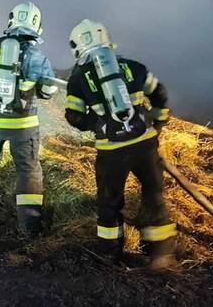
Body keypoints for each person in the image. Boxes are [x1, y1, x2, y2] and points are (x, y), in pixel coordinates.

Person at [63, 19, 177, 272]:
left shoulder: (79, 78)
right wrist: (159, 119)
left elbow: (74, 116)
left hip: (111, 151)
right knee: (153, 195)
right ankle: (159, 254)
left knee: (109, 202)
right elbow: (159, 92)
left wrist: (99, 125)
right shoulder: (133, 67)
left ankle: (110, 254)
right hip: (145, 146)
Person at [0, 2, 59, 237]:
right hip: (23, 125)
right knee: (28, 170)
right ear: (37, 26)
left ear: (11, 20)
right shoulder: (38, 56)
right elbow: (48, 92)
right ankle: (30, 227)